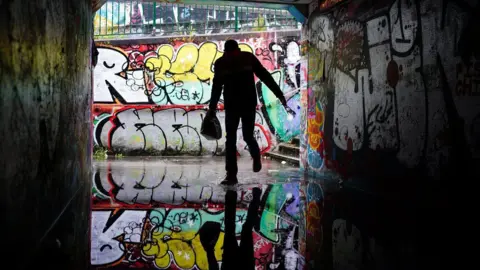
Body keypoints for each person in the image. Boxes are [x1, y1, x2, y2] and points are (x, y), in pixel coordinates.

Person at [207, 40, 287, 185]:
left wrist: (212, 108)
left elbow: (216, 88)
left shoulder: (221, 63)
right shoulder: (247, 57)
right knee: (247, 135)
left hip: (232, 106)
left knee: (230, 140)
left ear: (225, 51)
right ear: (238, 48)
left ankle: (232, 176)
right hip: (248, 104)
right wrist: (279, 94)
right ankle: (254, 157)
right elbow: (265, 76)